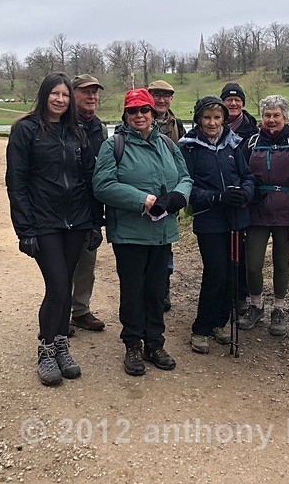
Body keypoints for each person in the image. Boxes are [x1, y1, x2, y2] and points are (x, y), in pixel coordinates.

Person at [5, 72, 102, 386]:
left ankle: (62, 347)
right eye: (55, 94)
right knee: (58, 287)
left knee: (66, 287)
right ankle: (46, 350)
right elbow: (16, 183)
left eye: (64, 95)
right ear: (45, 95)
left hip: (75, 221)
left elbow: (89, 180)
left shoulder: (77, 131)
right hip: (43, 221)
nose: (60, 100)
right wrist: (25, 230)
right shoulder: (26, 130)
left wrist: (94, 222)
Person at [92, 88, 192, 376]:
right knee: (134, 290)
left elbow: (185, 177)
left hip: (162, 232)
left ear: (152, 113)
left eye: (144, 110)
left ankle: (155, 343)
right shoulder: (114, 146)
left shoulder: (167, 144)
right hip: (130, 233)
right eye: (133, 111)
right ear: (125, 115)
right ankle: (133, 343)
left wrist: (177, 197)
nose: (139, 115)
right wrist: (142, 200)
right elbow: (103, 186)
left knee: (157, 289)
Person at [179, 96, 255, 354]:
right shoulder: (189, 148)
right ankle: (201, 327)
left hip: (235, 217)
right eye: (207, 117)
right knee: (217, 272)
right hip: (209, 219)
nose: (212, 123)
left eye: (217, 117)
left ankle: (219, 322)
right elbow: (188, 187)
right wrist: (216, 197)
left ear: (224, 119)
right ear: (199, 119)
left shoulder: (234, 145)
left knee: (234, 273)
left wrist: (245, 193)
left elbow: (248, 176)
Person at [238, 94, 289, 336]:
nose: (271, 120)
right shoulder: (250, 143)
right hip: (256, 212)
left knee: (282, 264)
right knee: (253, 264)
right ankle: (256, 305)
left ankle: (279, 309)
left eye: (276, 115)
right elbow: (240, 174)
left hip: (286, 212)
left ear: (286, 117)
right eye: (267, 115)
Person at [69, 74, 108, 334]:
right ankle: (58, 312)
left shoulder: (100, 128)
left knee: (87, 262)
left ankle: (80, 311)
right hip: (64, 203)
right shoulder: (62, 123)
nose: (92, 96)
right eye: (85, 91)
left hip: (90, 205)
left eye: (95, 92)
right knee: (61, 264)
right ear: (72, 94)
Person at [147, 79, 187, 312]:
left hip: (169, 194)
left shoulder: (177, 124)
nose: (161, 100)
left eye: (166, 95)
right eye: (157, 95)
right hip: (145, 190)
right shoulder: (139, 119)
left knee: (166, 244)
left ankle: (163, 289)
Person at [220, 82, 259, 312]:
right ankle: (224, 292)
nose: (233, 103)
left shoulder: (253, 131)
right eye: (228, 99)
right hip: (220, 198)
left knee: (243, 251)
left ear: (243, 103)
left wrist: (247, 191)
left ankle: (241, 294)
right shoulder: (213, 126)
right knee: (221, 248)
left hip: (246, 197)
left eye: (237, 100)